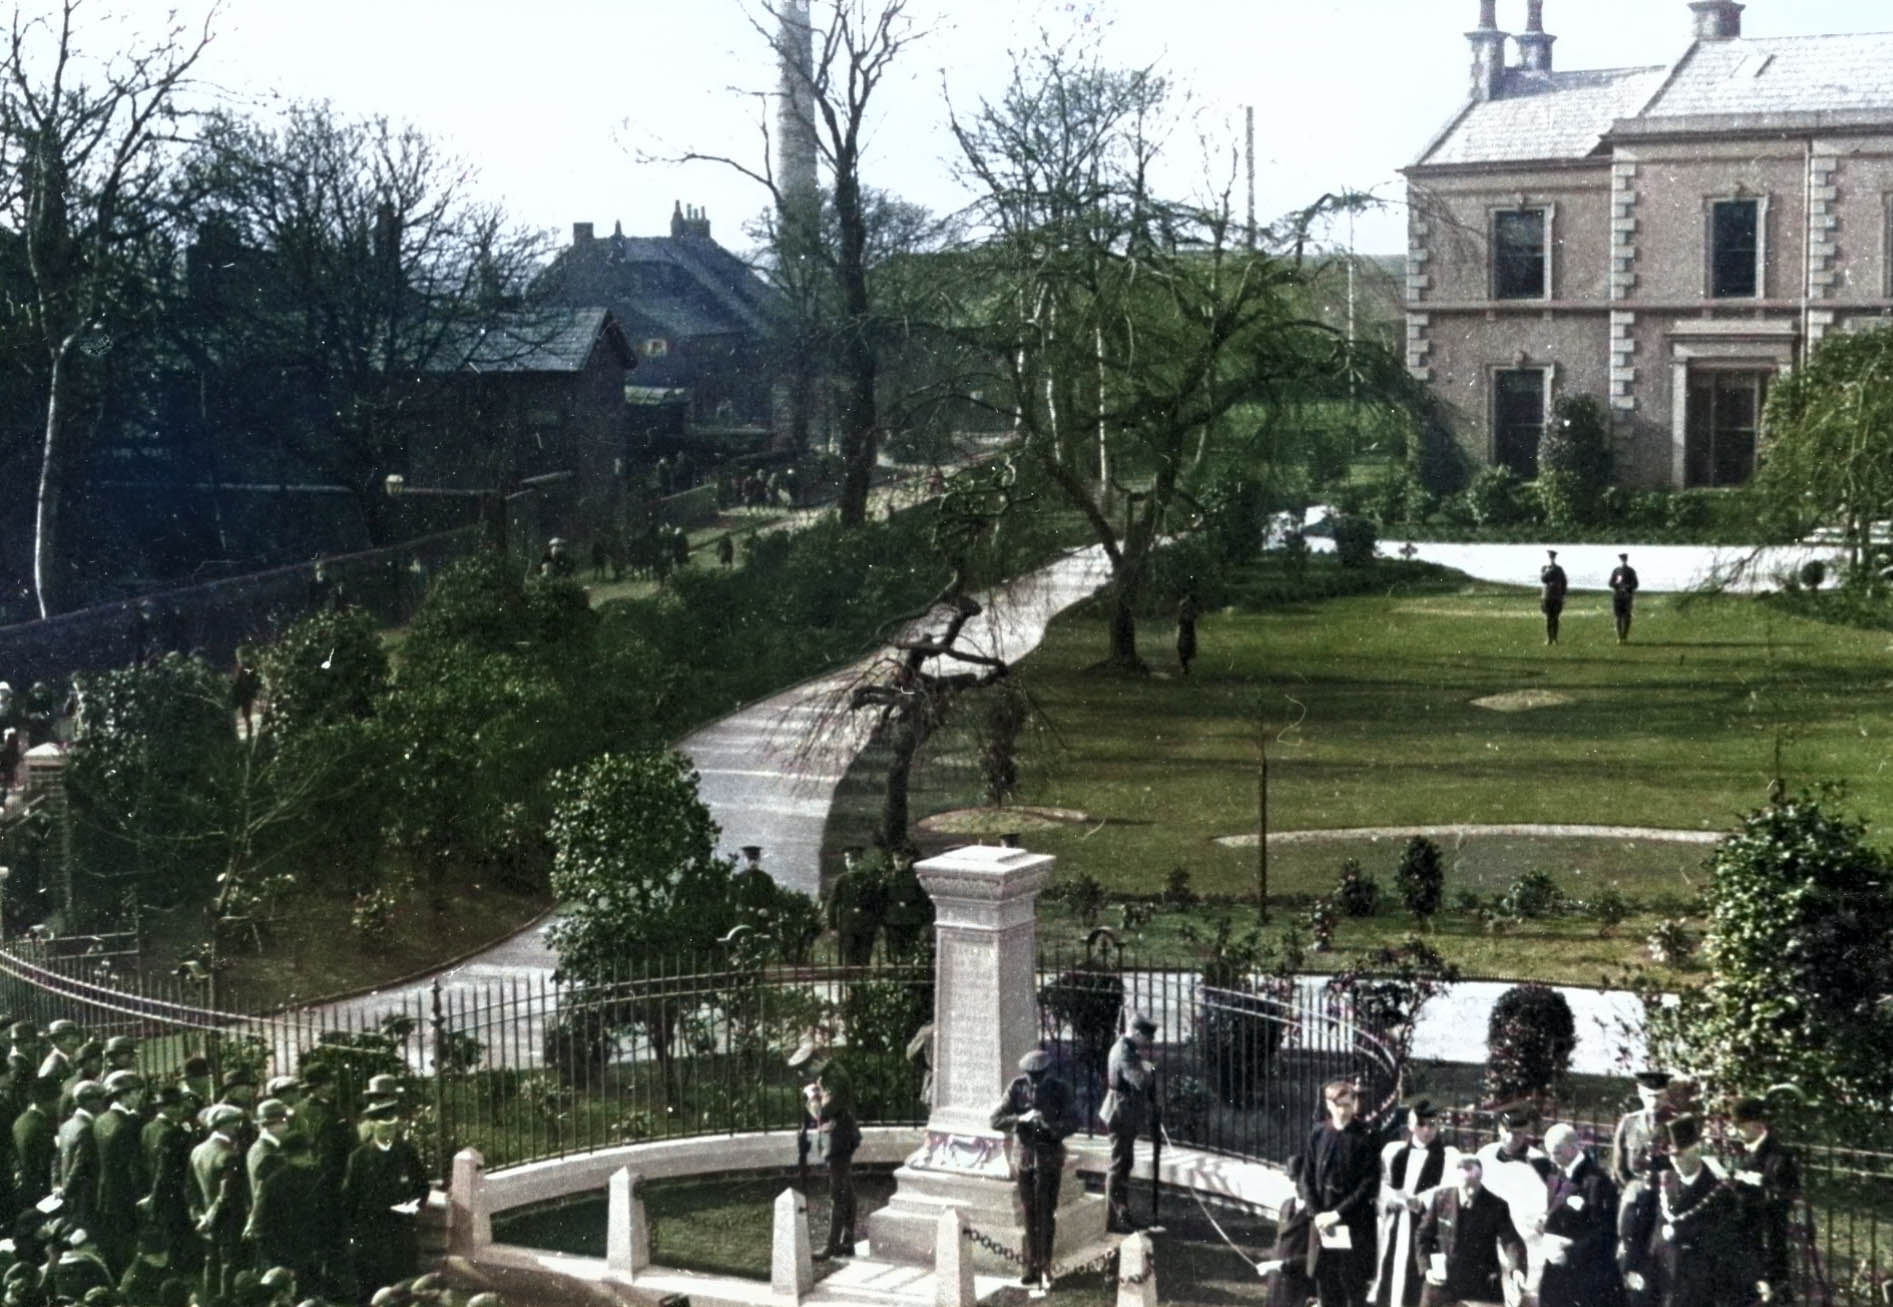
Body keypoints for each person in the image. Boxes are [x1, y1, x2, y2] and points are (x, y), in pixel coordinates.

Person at [990, 1049, 1078, 1294]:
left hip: (1049, 1158)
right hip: (1025, 1159)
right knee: (1029, 1213)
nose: (1033, 1081)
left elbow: (1073, 1121)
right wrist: (1021, 1120)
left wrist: (1049, 1127)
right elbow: (995, 1119)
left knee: (1046, 1212)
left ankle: (1046, 1265)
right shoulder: (1017, 1088)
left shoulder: (1060, 1089)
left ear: (1047, 1073)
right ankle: (1031, 1266)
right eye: (1030, 1076)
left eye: (1038, 1076)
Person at [1298, 1080, 1380, 1307]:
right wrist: (1317, 1215)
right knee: (1326, 1285)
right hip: (1323, 1224)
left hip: (1352, 1224)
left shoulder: (1367, 1136)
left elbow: (1368, 1184)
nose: (1343, 1110)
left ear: (1354, 1104)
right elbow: (1307, 1177)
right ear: (1328, 1105)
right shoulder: (1318, 1133)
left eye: (1348, 1104)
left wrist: (1337, 1214)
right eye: (1338, 1105)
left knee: (1353, 1288)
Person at [1371, 1100, 1458, 1307]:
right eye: (1421, 1125)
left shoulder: (1448, 1157)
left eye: (1432, 1125)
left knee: (1419, 1278)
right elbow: (1381, 1184)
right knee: (1391, 1273)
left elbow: (1448, 1188)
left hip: (1426, 1225)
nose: (1427, 1131)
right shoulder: (1394, 1153)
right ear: (1411, 1125)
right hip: (1396, 1223)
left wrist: (1420, 1201)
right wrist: (1390, 1199)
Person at [341, 1101, 428, 1297]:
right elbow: (349, 1200)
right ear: (372, 1125)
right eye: (384, 1126)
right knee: (373, 1291)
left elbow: (422, 1188)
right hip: (371, 1237)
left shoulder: (406, 1153)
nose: (390, 1131)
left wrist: (411, 1207)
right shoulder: (359, 1158)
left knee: (404, 1289)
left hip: (401, 1233)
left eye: (393, 1126)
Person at [1416, 1156, 1526, 1307]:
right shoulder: (1441, 1198)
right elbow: (1422, 1236)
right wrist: (1427, 1269)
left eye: (1474, 1184)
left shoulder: (1496, 1205)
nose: (1470, 1190)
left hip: (1481, 1286)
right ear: (1456, 1180)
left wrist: (1517, 1269)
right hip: (1443, 1283)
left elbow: (1511, 1240)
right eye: (1465, 1184)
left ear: (1481, 1178)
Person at [1536, 1122, 1619, 1307]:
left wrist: (1571, 1253)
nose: (1552, 1157)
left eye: (1556, 1152)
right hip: (1556, 1271)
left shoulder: (1596, 1181)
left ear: (1573, 1148)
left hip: (1584, 1273)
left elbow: (1606, 1231)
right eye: (1549, 1152)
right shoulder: (1557, 1174)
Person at [1730, 1098, 1800, 1306]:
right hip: (1746, 1233)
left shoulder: (1780, 1155)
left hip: (1766, 1235)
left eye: (1740, 1127)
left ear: (1757, 1125)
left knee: (1771, 1289)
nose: (1736, 1132)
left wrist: (1754, 1182)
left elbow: (1785, 1195)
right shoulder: (1746, 1151)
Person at [1611, 1070, 1670, 1307]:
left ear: (1666, 1095)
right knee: (1630, 1259)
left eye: (1659, 1096)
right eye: (1649, 1096)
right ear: (1640, 1093)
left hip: (1664, 1202)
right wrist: (1632, 1190)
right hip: (1635, 1202)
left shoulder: (1675, 1124)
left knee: (1660, 1262)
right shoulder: (1629, 1123)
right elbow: (1618, 1168)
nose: (1654, 1102)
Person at [1104, 1015, 1160, 1234]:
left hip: (1125, 1112)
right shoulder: (1124, 1052)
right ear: (1136, 1033)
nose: (1147, 1044)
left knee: (1124, 1163)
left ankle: (1122, 1213)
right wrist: (1148, 1069)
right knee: (1118, 1165)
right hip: (1120, 1113)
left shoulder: (1127, 1048)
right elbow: (1139, 1081)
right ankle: (1113, 1219)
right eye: (1145, 1039)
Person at [190, 1103, 250, 1304]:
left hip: (206, 1219)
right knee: (228, 1265)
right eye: (236, 1123)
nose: (238, 1127)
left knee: (211, 1263)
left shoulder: (198, 1151)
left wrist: (200, 1215)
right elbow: (227, 1193)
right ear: (225, 1125)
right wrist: (211, 1216)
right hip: (228, 1218)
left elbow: (190, 1189)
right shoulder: (229, 1154)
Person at [90, 1070, 146, 1279]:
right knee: (129, 1251)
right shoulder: (129, 1124)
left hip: (105, 1196)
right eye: (136, 1092)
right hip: (126, 1197)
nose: (140, 1096)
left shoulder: (100, 1120)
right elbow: (134, 1167)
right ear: (123, 1095)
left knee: (114, 1250)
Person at [803, 1055, 859, 1260]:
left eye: (805, 1068)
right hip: (838, 1136)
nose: (803, 1074)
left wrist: (812, 1096)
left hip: (838, 1139)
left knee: (838, 1192)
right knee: (846, 1189)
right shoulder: (830, 1074)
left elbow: (820, 1112)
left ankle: (833, 1245)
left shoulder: (834, 1078)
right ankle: (847, 1241)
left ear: (815, 1062)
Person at [54, 1080, 105, 1235]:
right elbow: (80, 1164)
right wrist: (67, 1190)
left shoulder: (66, 1126)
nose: (102, 1102)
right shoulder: (87, 1127)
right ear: (88, 1102)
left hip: (69, 1196)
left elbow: (56, 1160)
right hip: (84, 1196)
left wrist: (57, 1185)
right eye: (99, 1098)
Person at [12, 1076, 60, 1215]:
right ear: (48, 1101)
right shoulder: (41, 1126)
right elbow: (46, 1162)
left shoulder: (21, 1120)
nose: (58, 1104)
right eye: (57, 1100)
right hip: (39, 1191)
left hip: (24, 1186)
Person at [1608, 552, 1640, 644]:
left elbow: (1635, 584)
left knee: (1626, 617)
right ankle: (1619, 637)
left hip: (1627, 597)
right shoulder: (1616, 570)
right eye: (1621, 560)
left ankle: (1625, 636)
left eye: (1624, 559)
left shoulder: (1631, 571)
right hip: (1617, 596)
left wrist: (1627, 587)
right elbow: (1610, 583)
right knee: (1617, 617)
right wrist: (1617, 586)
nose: (1623, 561)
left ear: (1626, 560)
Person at [1539, 550, 1568, 645]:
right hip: (1547, 596)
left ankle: (1555, 638)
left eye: (1552, 558)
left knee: (1555, 618)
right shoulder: (1544, 568)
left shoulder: (1559, 569)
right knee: (1548, 618)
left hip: (1557, 596)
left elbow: (1564, 582)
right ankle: (1549, 638)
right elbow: (1543, 579)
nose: (1551, 559)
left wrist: (1563, 595)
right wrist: (1548, 571)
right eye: (1550, 558)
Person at [1176, 595, 1199, 677]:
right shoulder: (1183, 613)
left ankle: (1185, 668)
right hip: (1184, 632)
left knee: (1184, 650)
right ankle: (1185, 667)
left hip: (1187, 633)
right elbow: (1180, 622)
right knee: (1182, 649)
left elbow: (1193, 617)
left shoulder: (1189, 613)